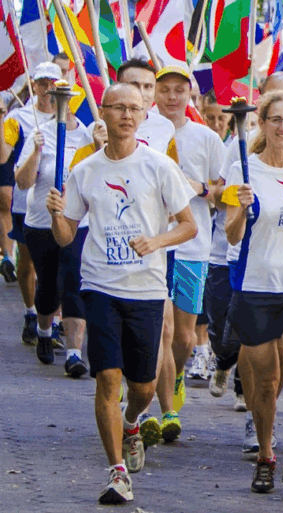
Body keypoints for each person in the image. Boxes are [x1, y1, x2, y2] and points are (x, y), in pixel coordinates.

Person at [46, 83, 197, 505]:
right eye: (119, 108)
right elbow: (65, 237)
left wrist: (157, 241)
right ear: (105, 114)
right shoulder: (86, 170)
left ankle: (133, 421)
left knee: (143, 386)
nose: (127, 115)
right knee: (107, 377)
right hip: (101, 286)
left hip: (146, 288)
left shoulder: (158, 166)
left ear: (144, 114)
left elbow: (189, 225)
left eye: (135, 108)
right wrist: (58, 214)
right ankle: (116, 473)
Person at [221, 91, 283, 499]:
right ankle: (266, 454)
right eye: (275, 120)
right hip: (255, 288)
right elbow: (230, 234)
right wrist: (241, 212)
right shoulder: (241, 169)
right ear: (261, 124)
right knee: (264, 386)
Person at [135, 66, 227, 446]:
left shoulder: (206, 138)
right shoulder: (141, 131)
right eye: (164, 89)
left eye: (179, 90)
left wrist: (201, 188)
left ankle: (171, 381)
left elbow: (227, 192)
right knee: (160, 328)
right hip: (150, 245)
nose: (172, 97)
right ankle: (152, 403)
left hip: (191, 245)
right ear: (154, 94)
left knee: (185, 337)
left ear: (191, 96)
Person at [14, 80, 92, 374]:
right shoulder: (41, 134)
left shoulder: (87, 136)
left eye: (69, 99)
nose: (65, 106)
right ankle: (45, 332)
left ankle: (74, 353)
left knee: (73, 282)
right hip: (40, 223)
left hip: (76, 223)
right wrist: (35, 152)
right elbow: (23, 182)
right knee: (49, 287)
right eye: (58, 99)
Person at [3, 63, 61, 348]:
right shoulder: (20, 117)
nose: (48, 88)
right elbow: (5, 153)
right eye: (43, 83)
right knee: (28, 262)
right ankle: (30, 313)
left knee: (57, 268)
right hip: (26, 204)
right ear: (34, 85)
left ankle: (53, 320)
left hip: (59, 207)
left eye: (54, 83)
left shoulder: (70, 120)